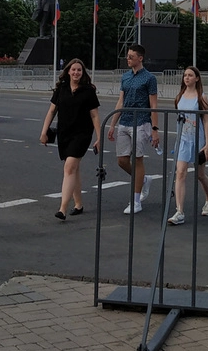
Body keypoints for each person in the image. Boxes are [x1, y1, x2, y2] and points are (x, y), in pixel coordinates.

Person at [40, 59, 101, 220]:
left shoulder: (88, 91)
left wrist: (99, 137)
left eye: (79, 70)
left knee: (69, 168)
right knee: (74, 169)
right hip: (64, 133)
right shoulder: (62, 89)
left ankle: (62, 208)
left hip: (82, 134)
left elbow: (94, 115)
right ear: (68, 71)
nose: (76, 73)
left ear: (83, 73)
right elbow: (51, 111)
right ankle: (78, 204)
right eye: (73, 70)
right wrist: (44, 131)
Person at [106, 43, 159, 214]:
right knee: (122, 160)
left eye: (131, 57)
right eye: (127, 56)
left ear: (140, 58)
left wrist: (155, 129)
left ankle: (136, 201)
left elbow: (153, 104)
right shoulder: (125, 77)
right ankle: (143, 180)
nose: (128, 59)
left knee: (137, 159)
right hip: (125, 121)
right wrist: (112, 124)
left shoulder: (149, 78)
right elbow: (121, 101)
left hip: (141, 122)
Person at [167, 65, 208, 225]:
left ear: (197, 78)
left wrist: (207, 143)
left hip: (198, 139)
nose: (187, 78)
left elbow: (206, 120)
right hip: (183, 139)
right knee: (180, 173)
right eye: (185, 75)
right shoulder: (179, 96)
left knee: (200, 175)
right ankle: (179, 211)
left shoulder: (201, 97)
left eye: (190, 75)